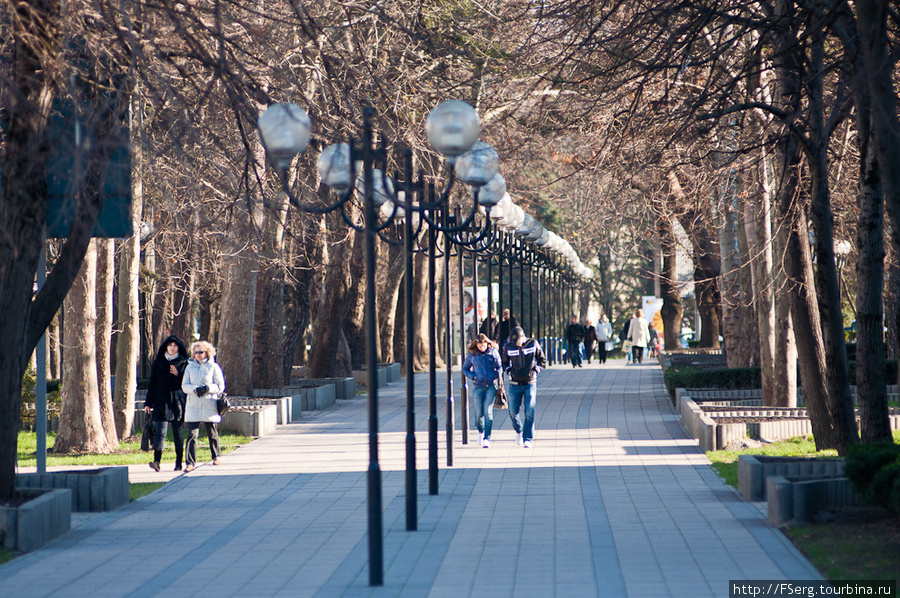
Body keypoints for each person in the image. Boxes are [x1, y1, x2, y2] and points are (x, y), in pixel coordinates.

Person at [144, 335, 189, 472]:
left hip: (177, 401)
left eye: (175, 346)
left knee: (178, 433)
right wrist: (148, 403)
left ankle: (179, 463)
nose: (172, 348)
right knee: (160, 433)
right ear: (166, 347)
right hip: (161, 401)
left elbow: (185, 384)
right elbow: (153, 383)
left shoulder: (184, 363)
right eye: (170, 345)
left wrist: (178, 374)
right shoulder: (159, 362)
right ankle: (157, 461)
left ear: (179, 348)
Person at [181, 340, 226, 472]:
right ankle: (190, 462)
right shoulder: (189, 367)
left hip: (209, 404)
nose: (198, 355)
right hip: (193, 404)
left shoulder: (214, 367)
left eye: (201, 352)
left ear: (207, 353)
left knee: (212, 433)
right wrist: (195, 389)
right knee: (192, 435)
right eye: (196, 352)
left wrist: (208, 388)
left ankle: (216, 456)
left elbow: (220, 386)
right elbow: (184, 386)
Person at [502, 326, 547, 448]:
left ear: (523, 337)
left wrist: (536, 369)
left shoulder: (533, 344)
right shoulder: (508, 347)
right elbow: (504, 362)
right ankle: (519, 431)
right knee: (512, 412)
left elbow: (542, 359)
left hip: (530, 382)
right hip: (514, 384)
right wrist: (508, 371)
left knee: (529, 411)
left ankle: (528, 438)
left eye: (518, 342)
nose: (516, 345)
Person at [462, 333, 502, 448]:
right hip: (478, 386)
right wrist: (473, 376)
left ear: (487, 343)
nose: (482, 348)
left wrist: (498, 375)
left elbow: (500, 366)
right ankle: (481, 431)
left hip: (491, 386)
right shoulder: (473, 354)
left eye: (483, 345)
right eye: (479, 346)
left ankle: (487, 438)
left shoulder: (493, 352)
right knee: (479, 413)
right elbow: (465, 368)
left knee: (488, 412)